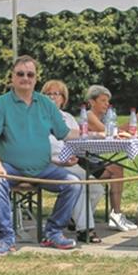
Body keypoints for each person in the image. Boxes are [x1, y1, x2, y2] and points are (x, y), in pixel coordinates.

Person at [0, 55, 82, 255]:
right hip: (10, 166)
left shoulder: (46, 104)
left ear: (36, 78)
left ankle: (53, 233)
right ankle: (6, 240)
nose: (25, 78)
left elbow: (66, 134)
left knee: (74, 184)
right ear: (12, 77)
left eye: (30, 74)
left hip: (44, 168)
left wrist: (94, 135)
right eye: (20, 74)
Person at [42, 80, 105, 243]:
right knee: (80, 183)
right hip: (49, 164)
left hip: (71, 162)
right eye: (48, 94)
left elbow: (78, 140)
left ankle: (72, 218)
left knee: (97, 189)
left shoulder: (68, 118)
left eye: (56, 94)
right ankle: (85, 229)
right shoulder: (37, 117)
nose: (52, 97)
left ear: (63, 99)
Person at [84, 85, 137, 232]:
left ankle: (117, 214)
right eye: (103, 100)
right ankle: (116, 215)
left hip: (92, 158)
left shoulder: (103, 117)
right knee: (116, 170)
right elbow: (111, 132)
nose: (106, 104)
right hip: (82, 160)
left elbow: (112, 132)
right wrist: (134, 121)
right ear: (92, 102)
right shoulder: (89, 116)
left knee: (117, 169)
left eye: (107, 101)